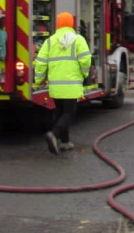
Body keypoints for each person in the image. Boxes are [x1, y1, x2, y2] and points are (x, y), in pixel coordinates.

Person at [33, 11, 92, 155]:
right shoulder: (78, 40)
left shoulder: (50, 41)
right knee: (69, 113)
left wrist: (39, 80)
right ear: (71, 23)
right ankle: (54, 134)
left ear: (58, 24)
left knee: (59, 112)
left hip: (55, 85)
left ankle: (65, 142)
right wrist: (85, 74)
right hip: (71, 84)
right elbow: (85, 60)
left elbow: (40, 62)